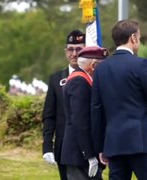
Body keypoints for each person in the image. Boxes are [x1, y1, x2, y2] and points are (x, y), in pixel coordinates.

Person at [91, 19, 147, 180]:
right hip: (140, 142)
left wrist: (100, 147)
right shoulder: (140, 64)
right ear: (133, 38)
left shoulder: (101, 69)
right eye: (139, 38)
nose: (139, 41)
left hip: (114, 144)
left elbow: (96, 110)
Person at [42, 29, 85, 180]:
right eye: (70, 49)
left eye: (79, 49)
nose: (74, 54)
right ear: (65, 51)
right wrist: (47, 146)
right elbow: (49, 116)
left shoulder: (94, 77)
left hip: (90, 146)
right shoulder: (56, 80)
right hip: (64, 146)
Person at [61, 46, 109, 180]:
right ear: (93, 65)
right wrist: (89, 155)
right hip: (79, 154)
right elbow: (80, 121)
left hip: (80, 153)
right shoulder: (79, 82)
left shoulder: (83, 80)